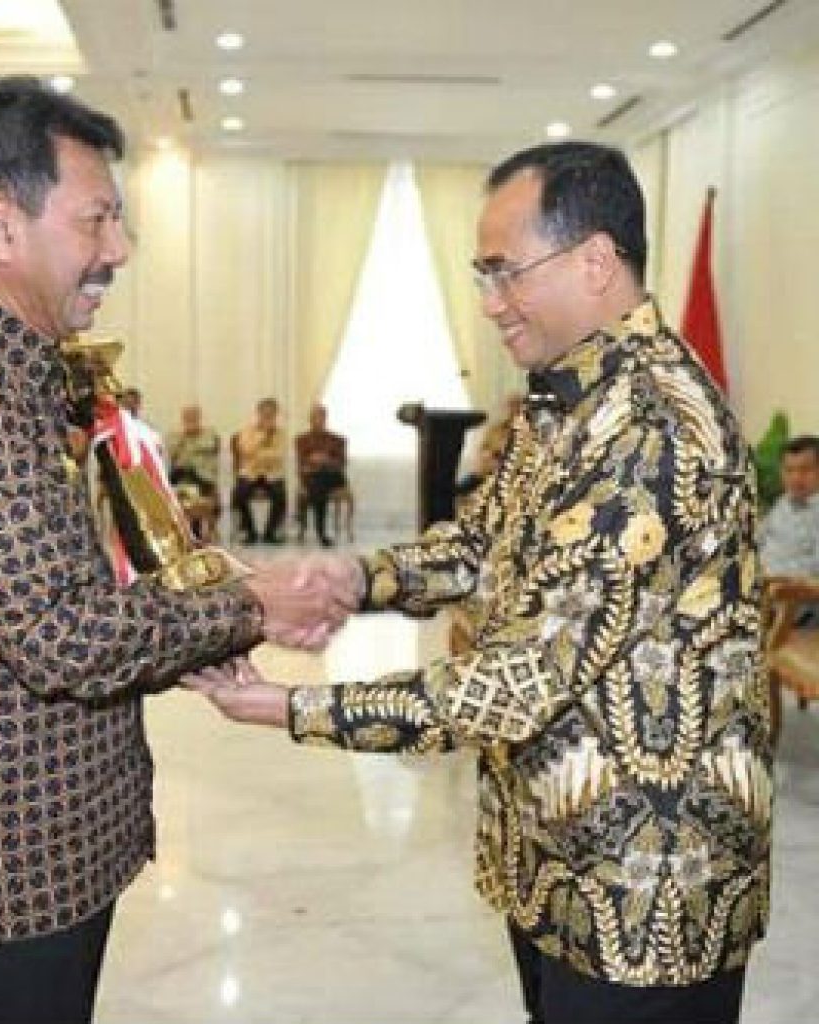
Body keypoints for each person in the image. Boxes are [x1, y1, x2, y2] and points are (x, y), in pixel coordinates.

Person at [189, 142, 769, 1024]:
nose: (491, 302)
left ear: (596, 260)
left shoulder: (650, 427)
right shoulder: (569, 397)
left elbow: (518, 683)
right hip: (557, 857)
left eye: (507, 272)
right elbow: (481, 548)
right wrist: (352, 576)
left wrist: (290, 707)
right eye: (482, 275)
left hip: (645, 889)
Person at [0, 76, 346, 1024]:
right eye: (96, 219)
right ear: (2, 225)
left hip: (42, 840)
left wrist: (198, 624)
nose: (118, 249)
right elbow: (63, 635)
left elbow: (49, 587)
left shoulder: (8, 373)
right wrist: (252, 607)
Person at [759, 435, 819, 577]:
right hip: (758, 580)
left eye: (805, 470)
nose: (796, 477)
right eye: (789, 470)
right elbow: (759, 540)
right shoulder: (782, 503)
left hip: (792, 586)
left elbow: (816, 567)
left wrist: (768, 573)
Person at [232, 397, 287, 544]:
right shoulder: (247, 430)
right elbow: (245, 450)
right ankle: (250, 532)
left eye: (271, 414)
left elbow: (278, 456)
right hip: (250, 473)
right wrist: (263, 437)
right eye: (265, 414)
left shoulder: (281, 433)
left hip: (272, 474)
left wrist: (258, 455)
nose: (268, 417)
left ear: (276, 415)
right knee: (239, 495)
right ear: (259, 413)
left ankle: (270, 532)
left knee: (280, 497)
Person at [295, 402, 347, 546]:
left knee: (318, 481)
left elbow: (341, 462)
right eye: (315, 417)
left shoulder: (337, 440)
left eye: (321, 417)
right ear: (310, 419)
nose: (318, 420)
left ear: (325, 419)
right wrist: (313, 461)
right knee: (317, 483)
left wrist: (326, 460)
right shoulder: (302, 439)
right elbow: (302, 461)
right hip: (312, 476)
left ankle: (312, 524)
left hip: (333, 476)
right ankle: (321, 533)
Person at [167, 404, 221, 539]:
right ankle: (187, 532)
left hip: (203, 476)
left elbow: (211, 448)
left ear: (199, 417)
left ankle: (198, 532)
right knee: (181, 494)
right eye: (187, 417)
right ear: (183, 418)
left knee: (200, 497)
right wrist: (184, 438)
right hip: (181, 476)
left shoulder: (210, 433)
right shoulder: (174, 435)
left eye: (194, 417)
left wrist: (192, 441)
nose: (191, 420)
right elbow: (172, 453)